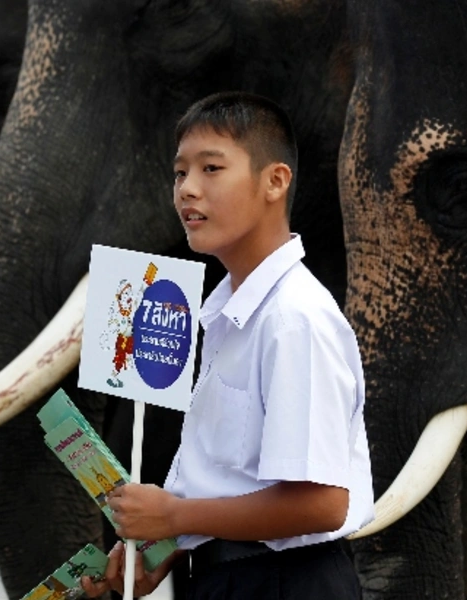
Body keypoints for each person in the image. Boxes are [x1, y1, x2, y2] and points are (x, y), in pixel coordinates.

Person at [82, 91, 374, 599]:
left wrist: (174, 515)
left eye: (211, 169)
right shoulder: (228, 313)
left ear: (275, 181)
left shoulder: (293, 318)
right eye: (179, 173)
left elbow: (323, 503)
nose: (187, 190)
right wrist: (164, 545)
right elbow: (231, 477)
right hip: (228, 578)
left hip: (285, 584)